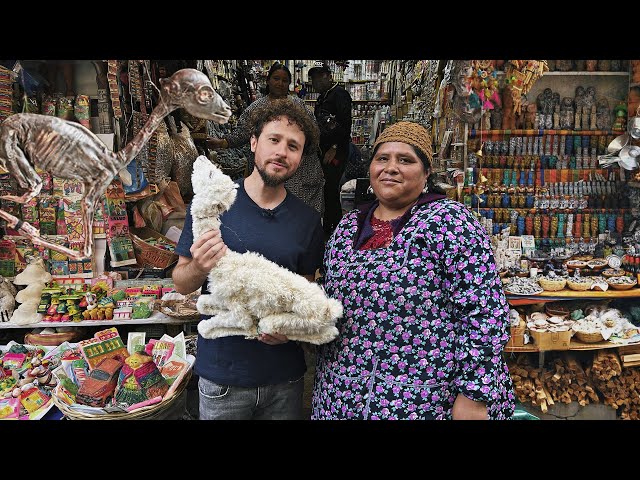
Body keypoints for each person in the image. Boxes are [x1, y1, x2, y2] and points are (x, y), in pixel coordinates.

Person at [311, 121, 515, 420]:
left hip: (425, 400)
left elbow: (485, 312)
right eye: (382, 159)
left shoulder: (449, 222)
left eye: (405, 160)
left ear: (426, 173)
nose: (390, 168)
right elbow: (330, 304)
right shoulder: (348, 227)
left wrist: (474, 395)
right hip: (342, 394)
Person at [173, 99, 325, 420]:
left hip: (284, 379)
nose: (282, 152)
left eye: (293, 146)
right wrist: (200, 265)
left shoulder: (308, 221)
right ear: (254, 142)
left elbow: (307, 290)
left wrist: (293, 328)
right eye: (274, 140)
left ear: (300, 157)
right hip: (223, 378)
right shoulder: (214, 203)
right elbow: (181, 281)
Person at [206, 62, 325, 215]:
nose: (280, 83)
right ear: (268, 81)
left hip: (301, 173)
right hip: (270, 172)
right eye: (276, 78)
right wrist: (223, 143)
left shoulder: (300, 107)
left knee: (300, 215)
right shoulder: (256, 108)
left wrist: (298, 151)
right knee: (270, 212)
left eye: (284, 80)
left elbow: (313, 136)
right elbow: (242, 133)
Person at [308, 60, 353, 234]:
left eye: (318, 77)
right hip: (323, 150)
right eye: (312, 79)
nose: (315, 82)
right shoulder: (322, 98)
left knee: (331, 189)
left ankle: (333, 228)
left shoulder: (339, 94)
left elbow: (346, 124)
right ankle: (329, 225)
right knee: (327, 189)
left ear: (328, 76)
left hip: (335, 151)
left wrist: (334, 147)